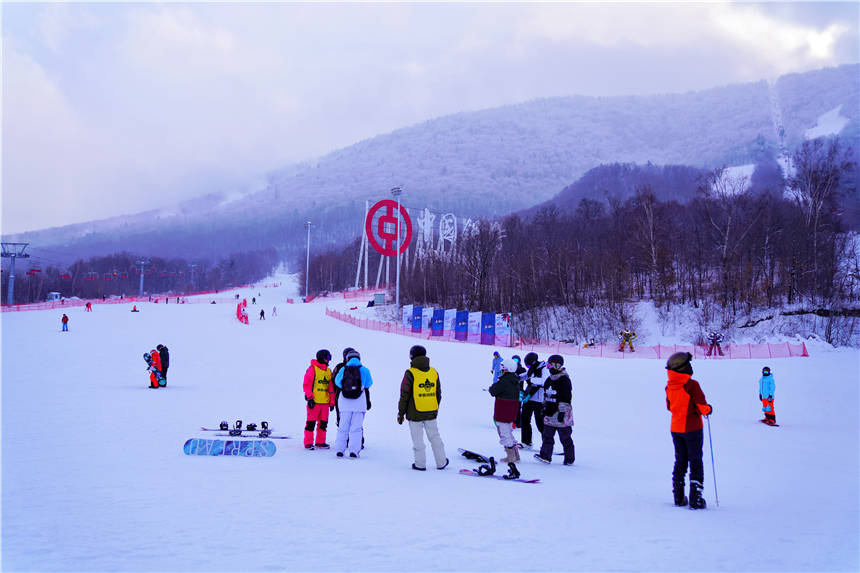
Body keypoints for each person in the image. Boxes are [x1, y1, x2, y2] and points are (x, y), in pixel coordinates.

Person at [665, 352, 713, 509]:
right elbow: (702, 408)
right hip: (692, 429)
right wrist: (708, 409)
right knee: (696, 461)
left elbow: (669, 407)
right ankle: (696, 499)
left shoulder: (670, 385)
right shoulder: (692, 385)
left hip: (676, 428)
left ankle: (678, 497)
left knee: (680, 461)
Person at [397, 345, 448, 471]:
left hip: (414, 413)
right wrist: (434, 407)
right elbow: (438, 393)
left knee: (417, 439)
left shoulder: (410, 373)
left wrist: (401, 413)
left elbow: (404, 394)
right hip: (431, 411)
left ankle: (420, 464)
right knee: (435, 437)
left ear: (412, 356)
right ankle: (441, 461)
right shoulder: (433, 372)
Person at [534, 354, 575, 465]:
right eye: (548, 365)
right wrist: (543, 407)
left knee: (565, 437)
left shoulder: (564, 380)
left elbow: (566, 398)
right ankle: (545, 456)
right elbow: (546, 395)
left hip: (561, 413)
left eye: (550, 365)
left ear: (557, 366)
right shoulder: (549, 379)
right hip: (550, 412)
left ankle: (569, 459)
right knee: (547, 436)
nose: (549, 368)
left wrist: (562, 411)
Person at [333, 349, 373, 458]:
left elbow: (337, 382)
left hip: (344, 402)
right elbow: (369, 383)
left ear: (347, 358)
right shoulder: (364, 370)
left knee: (343, 426)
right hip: (359, 403)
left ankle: (340, 450)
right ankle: (354, 451)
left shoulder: (343, 369)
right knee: (356, 428)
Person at [488, 358, 521, 463]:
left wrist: (493, 387)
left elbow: (493, 391)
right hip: (511, 411)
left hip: (503, 411)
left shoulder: (504, 381)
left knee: (504, 433)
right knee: (508, 432)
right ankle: (516, 455)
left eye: (503, 368)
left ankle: (511, 457)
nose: (501, 370)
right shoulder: (514, 380)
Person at [303, 349, 335, 450]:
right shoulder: (313, 369)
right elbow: (307, 384)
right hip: (315, 402)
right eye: (328, 357)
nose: (329, 360)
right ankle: (308, 443)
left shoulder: (328, 371)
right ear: (322, 357)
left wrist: (332, 402)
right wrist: (310, 398)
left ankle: (320, 442)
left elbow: (330, 388)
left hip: (325, 403)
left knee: (323, 425)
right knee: (310, 424)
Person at [520, 352, 546, 447]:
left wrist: (532, 380)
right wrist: (516, 377)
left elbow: (544, 381)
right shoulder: (532, 368)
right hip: (529, 397)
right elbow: (526, 375)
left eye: (528, 365)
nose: (527, 367)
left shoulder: (544, 368)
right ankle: (526, 441)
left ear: (534, 362)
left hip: (539, 400)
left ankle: (547, 444)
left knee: (540, 423)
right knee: (525, 420)